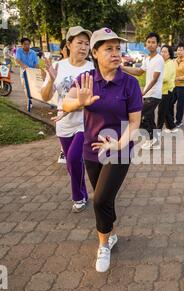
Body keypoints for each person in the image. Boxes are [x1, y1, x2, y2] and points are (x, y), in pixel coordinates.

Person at [62, 27, 143, 273]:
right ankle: (111, 232)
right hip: (92, 151)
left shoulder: (130, 83)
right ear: (95, 53)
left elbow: (135, 123)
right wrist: (80, 102)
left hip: (119, 150)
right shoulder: (86, 80)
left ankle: (103, 245)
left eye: (118, 48)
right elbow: (66, 103)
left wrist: (119, 144)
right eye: (109, 48)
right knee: (104, 199)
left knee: (100, 200)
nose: (116, 53)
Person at [41, 26, 94, 213]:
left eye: (87, 44)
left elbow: (92, 100)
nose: (84, 47)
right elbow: (46, 96)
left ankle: (78, 197)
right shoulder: (58, 66)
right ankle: (84, 193)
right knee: (73, 166)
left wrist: (77, 105)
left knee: (72, 158)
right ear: (69, 44)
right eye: (79, 43)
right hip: (63, 123)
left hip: (84, 123)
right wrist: (51, 78)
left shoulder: (92, 69)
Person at [121, 32, 164, 149]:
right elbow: (139, 72)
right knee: (149, 118)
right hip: (148, 93)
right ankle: (155, 140)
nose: (150, 45)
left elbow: (155, 79)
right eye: (149, 42)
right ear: (146, 44)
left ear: (158, 45)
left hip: (153, 94)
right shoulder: (148, 58)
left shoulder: (159, 59)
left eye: (153, 42)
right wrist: (123, 68)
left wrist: (143, 92)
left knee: (140, 116)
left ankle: (152, 139)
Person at [157, 45, 178, 133]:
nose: (162, 53)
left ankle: (158, 130)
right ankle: (172, 127)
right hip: (163, 90)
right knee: (165, 110)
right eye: (162, 51)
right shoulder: (163, 63)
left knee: (161, 111)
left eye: (165, 52)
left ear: (169, 54)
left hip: (166, 90)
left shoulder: (170, 63)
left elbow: (165, 78)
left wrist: (155, 78)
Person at [57, 39, 71, 165]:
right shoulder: (58, 66)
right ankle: (63, 150)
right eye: (66, 48)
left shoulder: (86, 65)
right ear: (62, 50)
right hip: (63, 109)